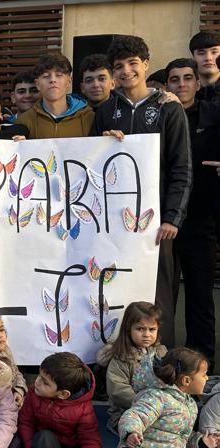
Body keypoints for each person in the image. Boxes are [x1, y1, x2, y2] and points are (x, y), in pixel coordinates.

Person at [91, 35, 192, 349]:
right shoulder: (106, 111)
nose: (126, 71)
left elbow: (182, 168)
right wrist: (102, 144)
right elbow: (90, 167)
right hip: (113, 225)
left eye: (133, 63)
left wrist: (173, 217)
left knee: (156, 297)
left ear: (146, 64)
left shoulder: (168, 109)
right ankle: (115, 366)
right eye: (119, 66)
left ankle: (160, 365)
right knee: (113, 291)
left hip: (155, 224)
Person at [166, 57, 220, 372]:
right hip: (162, 220)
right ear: (167, 85)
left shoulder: (213, 114)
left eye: (188, 78)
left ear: (198, 84)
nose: (182, 84)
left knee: (199, 298)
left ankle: (202, 365)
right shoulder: (160, 115)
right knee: (160, 297)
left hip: (201, 220)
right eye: (175, 79)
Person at [117, 348, 217, 448]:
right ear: (186, 380)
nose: (207, 378)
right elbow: (135, 416)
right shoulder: (158, 397)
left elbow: (180, 436)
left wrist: (201, 442)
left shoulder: (190, 404)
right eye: (203, 375)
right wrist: (132, 432)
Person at [96, 302, 167, 433]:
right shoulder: (120, 358)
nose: (147, 334)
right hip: (127, 412)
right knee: (151, 433)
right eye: (140, 329)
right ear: (128, 329)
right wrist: (146, 404)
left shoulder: (160, 353)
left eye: (152, 329)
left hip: (159, 408)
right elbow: (118, 390)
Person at [18, 352, 101, 448]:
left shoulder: (83, 409)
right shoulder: (34, 393)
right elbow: (25, 422)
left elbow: (90, 441)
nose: (37, 382)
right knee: (44, 436)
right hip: (43, 445)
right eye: (39, 375)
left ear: (63, 394)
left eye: (45, 382)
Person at [15, 53, 94, 139]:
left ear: (69, 81)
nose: (53, 80)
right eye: (46, 76)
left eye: (59, 75)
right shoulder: (24, 121)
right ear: (37, 84)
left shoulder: (89, 118)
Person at [189, 31, 220, 101]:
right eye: (201, 53)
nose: (208, 58)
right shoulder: (184, 89)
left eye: (214, 52)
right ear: (193, 58)